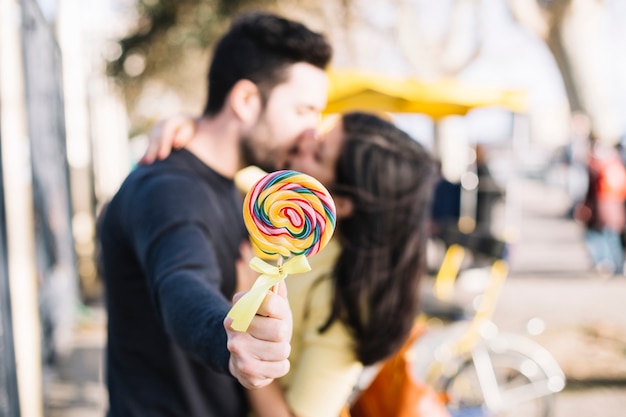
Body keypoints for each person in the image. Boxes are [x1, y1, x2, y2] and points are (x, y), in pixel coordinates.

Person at [98, 11, 332, 417]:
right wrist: (229, 336)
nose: (312, 131)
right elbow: (181, 280)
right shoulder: (169, 190)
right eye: (303, 111)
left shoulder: (239, 187)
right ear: (245, 100)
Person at [144, 111, 437, 417]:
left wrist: (250, 296)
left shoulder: (347, 299)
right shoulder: (282, 216)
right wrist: (197, 128)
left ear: (343, 203)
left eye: (319, 153)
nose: (305, 140)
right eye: (320, 134)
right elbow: (229, 162)